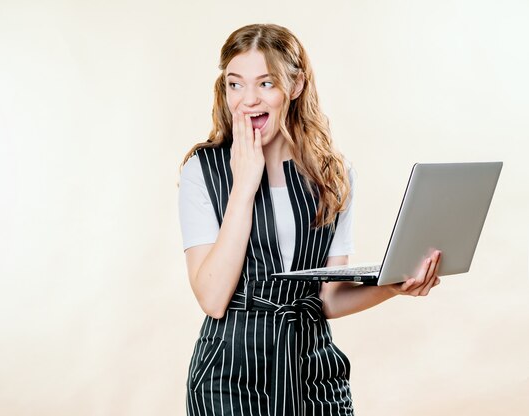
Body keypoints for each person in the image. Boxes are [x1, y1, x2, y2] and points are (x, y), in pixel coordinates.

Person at [178, 23, 441, 416]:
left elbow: (328, 298)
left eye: (266, 83)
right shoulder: (203, 170)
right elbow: (213, 299)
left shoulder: (334, 175)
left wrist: (394, 287)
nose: (248, 100)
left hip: (313, 372)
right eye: (236, 84)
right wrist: (245, 183)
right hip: (228, 377)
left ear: (295, 85)